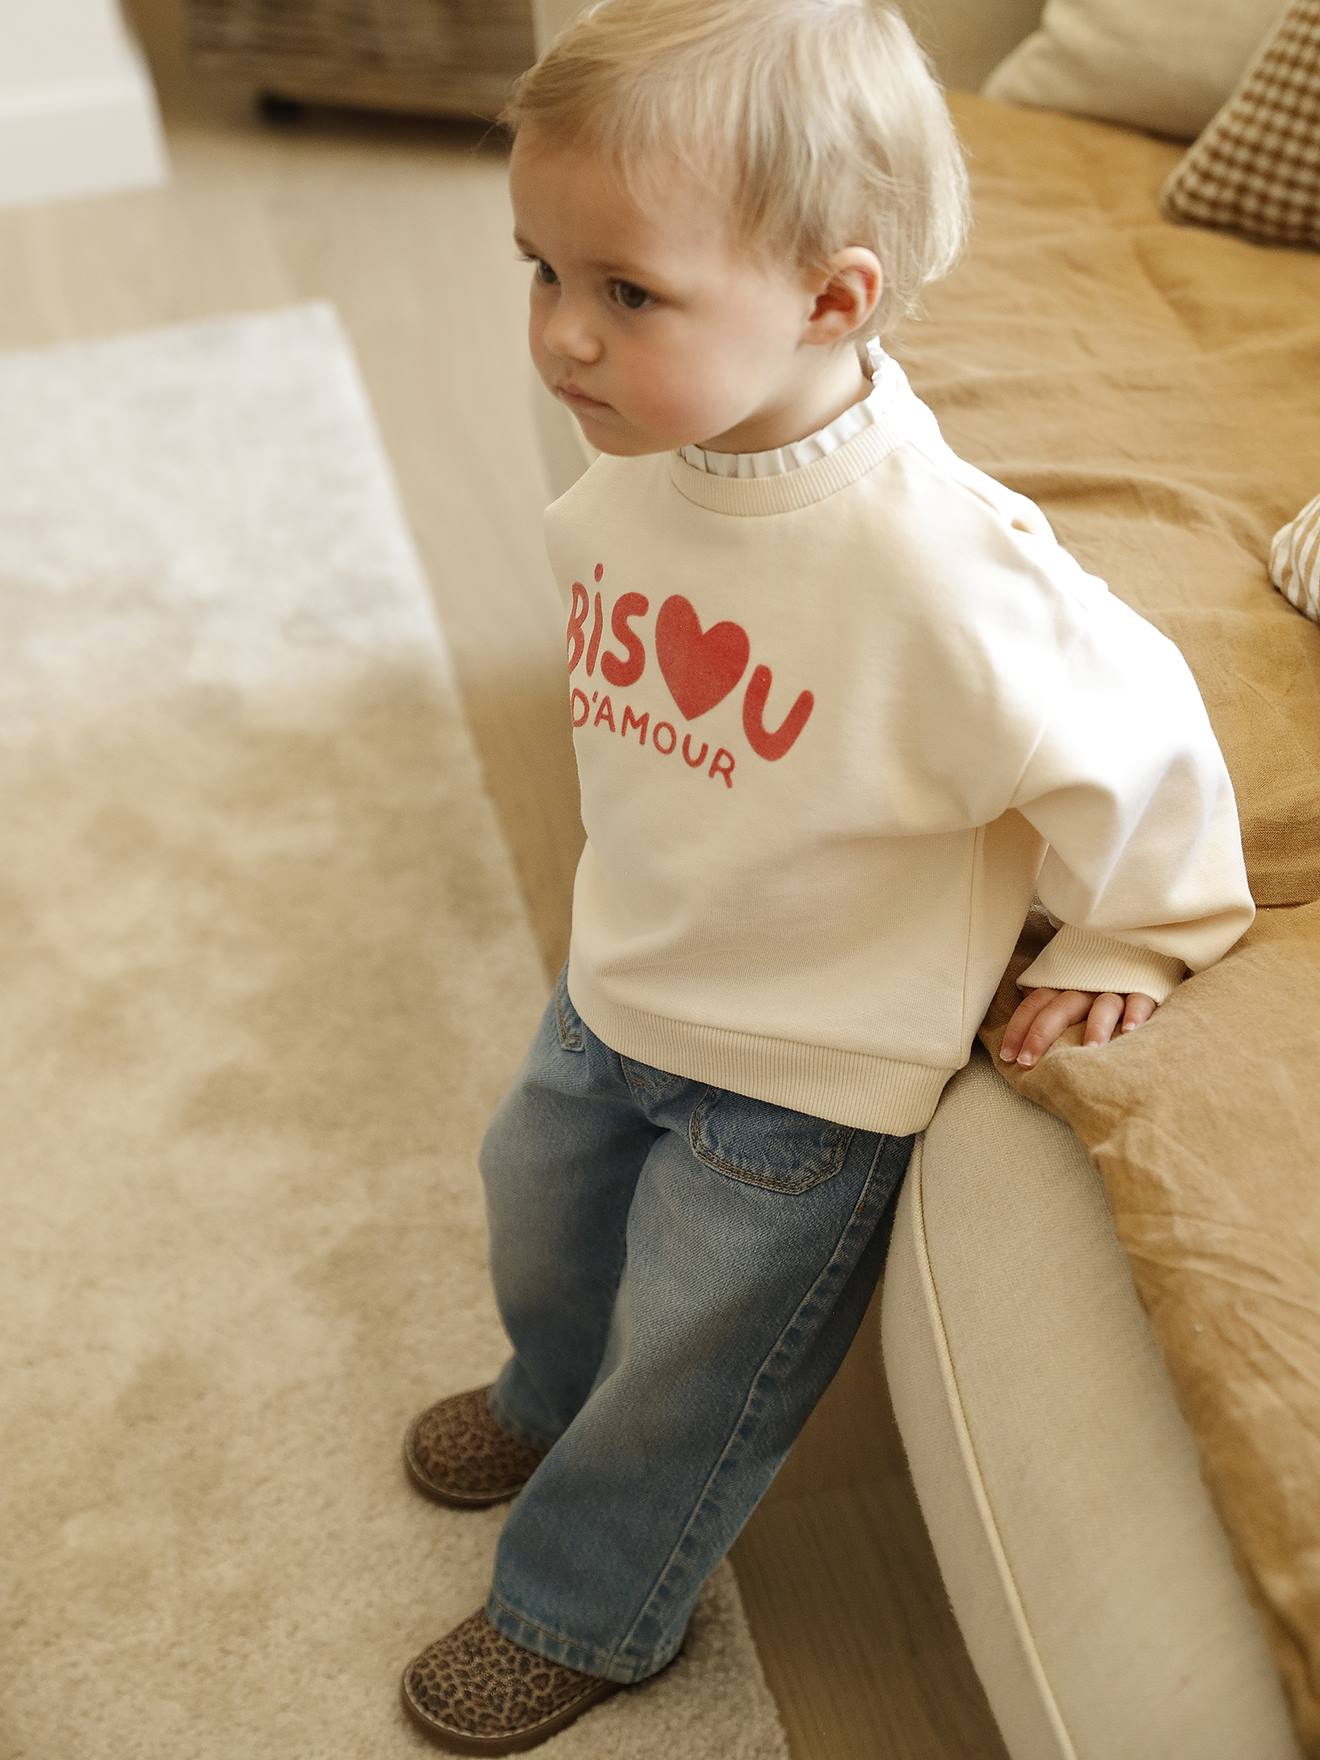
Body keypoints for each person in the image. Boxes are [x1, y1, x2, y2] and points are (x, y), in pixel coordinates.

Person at [397, 0, 1257, 1749]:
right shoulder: (646, 468)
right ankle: (547, 1386)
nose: (561, 336)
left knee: (695, 1354)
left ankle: (588, 1601)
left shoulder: (943, 574)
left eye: (625, 291)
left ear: (832, 300)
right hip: (626, 976)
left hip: (800, 1080)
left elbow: (1141, 724)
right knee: (540, 1212)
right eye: (540, 270)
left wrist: (1140, 933)